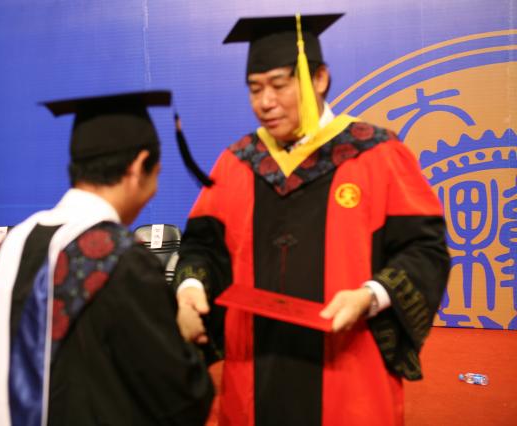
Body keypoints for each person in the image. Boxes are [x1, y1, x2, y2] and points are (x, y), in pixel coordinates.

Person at [174, 14, 451, 426]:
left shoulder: (377, 154)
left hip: (348, 368)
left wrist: (370, 295)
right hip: (255, 371)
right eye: (255, 89)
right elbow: (204, 245)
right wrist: (190, 288)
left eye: (278, 85)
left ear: (319, 79)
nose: (265, 102)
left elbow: (424, 249)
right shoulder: (238, 162)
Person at [0, 91, 213, 426]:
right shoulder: (120, 257)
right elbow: (178, 398)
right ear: (138, 166)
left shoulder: (11, 245)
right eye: (157, 173)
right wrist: (184, 335)